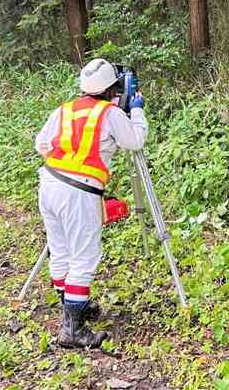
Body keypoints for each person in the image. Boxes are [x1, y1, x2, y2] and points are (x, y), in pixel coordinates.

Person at [34, 58, 148, 349]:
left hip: (49, 183)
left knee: (60, 251)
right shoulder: (110, 113)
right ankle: (73, 329)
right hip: (79, 191)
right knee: (84, 257)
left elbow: (41, 144)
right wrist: (136, 111)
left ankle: (71, 307)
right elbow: (135, 141)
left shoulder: (65, 109)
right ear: (112, 88)